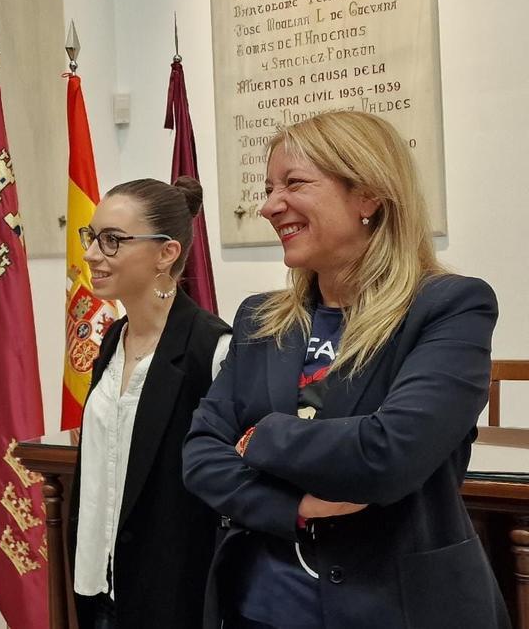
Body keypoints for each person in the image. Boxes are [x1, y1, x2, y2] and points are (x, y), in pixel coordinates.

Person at [182, 111, 510, 629]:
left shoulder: (449, 308)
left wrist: (259, 436)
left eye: (293, 183)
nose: (269, 206)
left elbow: (388, 454)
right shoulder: (259, 319)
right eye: (268, 187)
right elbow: (200, 456)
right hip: (257, 609)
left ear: (368, 196)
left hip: (398, 609)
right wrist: (298, 507)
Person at [68, 177, 231, 628]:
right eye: (92, 236)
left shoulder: (212, 350)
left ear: (167, 253)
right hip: (98, 589)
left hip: (172, 597)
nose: (92, 254)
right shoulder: (113, 341)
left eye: (112, 241)